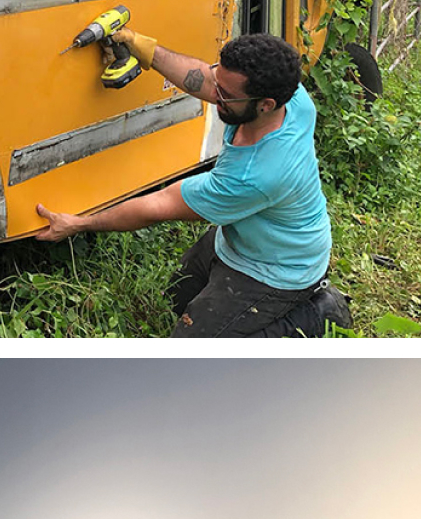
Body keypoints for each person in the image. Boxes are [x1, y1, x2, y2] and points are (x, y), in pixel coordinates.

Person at [35, 30, 351, 337]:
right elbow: (205, 80)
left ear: (265, 104)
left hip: (277, 270)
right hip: (247, 239)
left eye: (226, 95)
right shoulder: (290, 98)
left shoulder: (255, 177)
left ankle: (319, 312)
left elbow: (159, 206)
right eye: (219, 82)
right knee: (177, 298)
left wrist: (79, 223)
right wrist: (145, 49)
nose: (216, 95)